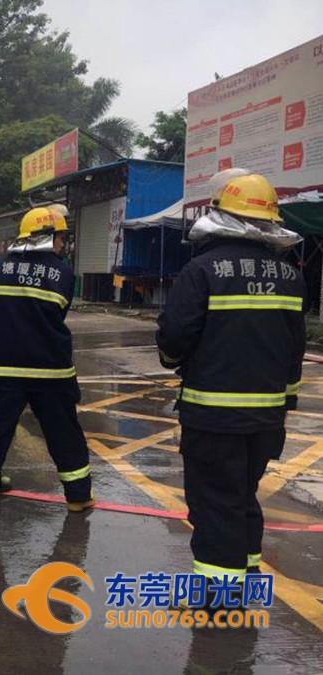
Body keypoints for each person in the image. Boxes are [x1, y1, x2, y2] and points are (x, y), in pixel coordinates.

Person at [156, 170, 305, 600]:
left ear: (219, 215)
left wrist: (171, 361)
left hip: (213, 417)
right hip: (267, 419)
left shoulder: (203, 270)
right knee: (243, 497)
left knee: (216, 505)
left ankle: (220, 601)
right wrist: (285, 399)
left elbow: (174, 335)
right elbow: (293, 348)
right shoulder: (291, 276)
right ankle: (247, 577)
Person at [0, 206, 94, 519]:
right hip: (53, 369)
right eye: (61, 238)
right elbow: (56, 313)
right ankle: (78, 496)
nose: (63, 244)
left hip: (6, 369)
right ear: (51, 237)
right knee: (64, 433)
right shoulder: (64, 274)